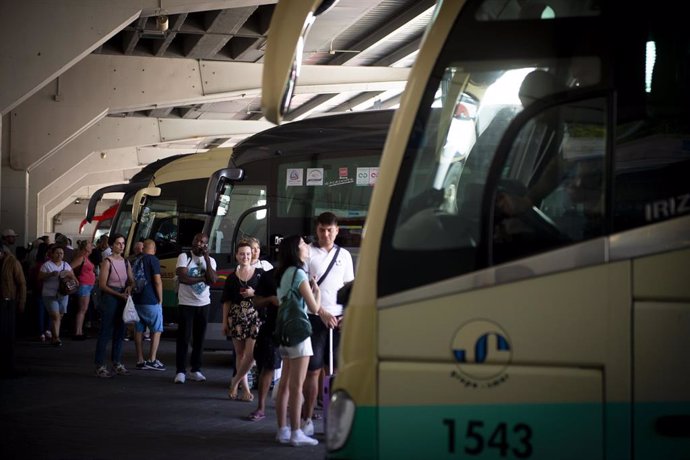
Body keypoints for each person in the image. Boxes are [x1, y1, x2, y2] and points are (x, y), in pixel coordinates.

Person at [301, 212, 354, 436]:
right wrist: (321, 312)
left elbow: (349, 288)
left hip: (339, 320)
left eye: (330, 230)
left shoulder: (345, 255)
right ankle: (306, 419)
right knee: (313, 371)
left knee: (337, 372)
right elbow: (302, 289)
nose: (326, 234)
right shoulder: (308, 253)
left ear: (337, 230)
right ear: (317, 230)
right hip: (314, 318)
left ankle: (337, 420)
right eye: (322, 230)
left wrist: (345, 316)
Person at [274, 235, 321, 447]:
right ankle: (296, 432)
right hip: (299, 334)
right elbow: (314, 308)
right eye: (303, 243)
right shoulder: (300, 273)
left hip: (284, 332)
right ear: (295, 250)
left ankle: (282, 429)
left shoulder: (284, 273)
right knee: (297, 385)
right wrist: (317, 292)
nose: (307, 246)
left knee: (284, 384)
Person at [173, 232, 218, 384]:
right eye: (197, 241)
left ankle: (195, 370)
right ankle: (180, 371)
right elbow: (183, 278)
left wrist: (206, 258)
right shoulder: (184, 257)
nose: (200, 244)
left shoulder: (210, 260)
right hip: (186, 304)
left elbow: (213, 280)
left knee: (200, 339)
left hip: (204, 304)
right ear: (193, 242)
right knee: (184, 338)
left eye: (203, 242)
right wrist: (201, 278)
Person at [222, 241, 263, 401]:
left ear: (252, 254)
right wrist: (224, 322)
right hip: (236, 319)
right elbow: (226, 302)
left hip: (255, 318)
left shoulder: (260, 274)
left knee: (251, 355)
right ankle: (245, 388)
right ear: (236, 256)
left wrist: (254, 293)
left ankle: (235, 381)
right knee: (239, 354)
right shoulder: (231, 278)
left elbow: (267, 296)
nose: (245, 256)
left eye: (247, 253)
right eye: (241, 254)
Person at [94, 233, 134, 378]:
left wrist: (129, 287)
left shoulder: (126, 262)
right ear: (112, 245)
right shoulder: (107, 262)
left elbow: (131, 280)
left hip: (123, 296)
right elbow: (103, 285)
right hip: (111, 297)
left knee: (120, 331)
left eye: (123, 243)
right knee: (105, 332)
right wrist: (119, 295)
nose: (121, 246)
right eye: (118, 243)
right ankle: (100, 365)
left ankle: (117, 363)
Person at [246, 267, 281, 422]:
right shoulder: (269, 276)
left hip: (296, 327)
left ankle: (305, 411)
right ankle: (260, 407)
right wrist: (271, 299)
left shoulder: (302, 272)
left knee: (303, 371)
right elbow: (256, 301)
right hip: (272, 326)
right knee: (268, 366)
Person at [132, 239, 166, 371]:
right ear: (154, 249)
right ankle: (152, 360)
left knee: (139, 330)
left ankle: (140, 360)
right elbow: (157, 281)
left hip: (137, 300)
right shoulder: (153, 260)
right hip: (150, 300)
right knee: (156, 330)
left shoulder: (137, 260)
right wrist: (160, 299)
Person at [38, 244, 78, 347]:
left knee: (59, 315)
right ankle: (56, 338)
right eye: (57, 253)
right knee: (55, 316)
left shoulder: (66, 265)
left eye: (61, 253)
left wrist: (69, 274)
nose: (59, 255)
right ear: (52, 254)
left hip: (63, 294)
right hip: (50, 295)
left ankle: (53, 335)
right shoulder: (47, 265)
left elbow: (74, 278)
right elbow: (40, 277)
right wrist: (50, 274)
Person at [0, 246, 27, 378]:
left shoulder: (12, 262)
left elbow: (21, 283)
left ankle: (8, 367)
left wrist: (21, 301)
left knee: (7, 336)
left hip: (7, 302)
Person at [70, 240, 96, 340]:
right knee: (82, 309)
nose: (92, 247)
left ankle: (80, 331)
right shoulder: (81, 258)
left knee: (83, 309)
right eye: (90, 245)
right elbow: (70, 267)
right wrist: (75, 279)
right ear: (86, 247)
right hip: (83, 285)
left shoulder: (85, 258)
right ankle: (77, 332)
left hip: (88, 285)